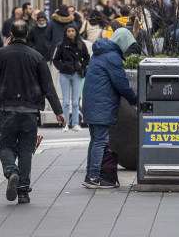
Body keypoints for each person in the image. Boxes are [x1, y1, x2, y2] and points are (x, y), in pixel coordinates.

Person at [0, 21, 66, 203]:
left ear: (11, 34)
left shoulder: (1, 54)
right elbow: (48, 87)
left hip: (7, 108)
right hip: (30, 110)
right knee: (26, 150)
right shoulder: (37, 56)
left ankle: (11, 171)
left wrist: (3, 48)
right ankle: (23, 191)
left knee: (5, 144)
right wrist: (58, 111)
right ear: (27, 34)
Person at [81, 28, 138, 188]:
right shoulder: (112, 57)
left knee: (95, 140)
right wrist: (134, 99)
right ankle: (94, 177)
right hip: (101, 105)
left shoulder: (98, 54)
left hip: (92, 104)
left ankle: (89, 176)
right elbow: (122, 83)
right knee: (100, 141)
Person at [52, 24, 90, 132]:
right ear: (65, 33)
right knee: (65, 101)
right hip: (65, 74)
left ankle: (76, 124)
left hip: (77, 74)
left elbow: (87, 57)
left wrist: (81, 65)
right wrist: (62, 67)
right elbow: (56, 60)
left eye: (73, 31)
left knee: (75, 101)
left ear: (76, 32)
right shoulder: (62, 45)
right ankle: (65, 124)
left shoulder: (81, 44)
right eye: (68, 31)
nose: (71, 33)